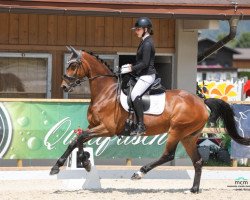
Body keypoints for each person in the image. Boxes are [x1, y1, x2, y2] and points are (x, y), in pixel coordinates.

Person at [120, 17, 156, 135]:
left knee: (135, 94)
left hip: (147, 75)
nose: (136, 31)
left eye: (138, 29)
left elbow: (145, 63)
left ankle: (141, 125)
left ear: (145, 29)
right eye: (136, 29)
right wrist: (132, 66)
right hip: (142, 74)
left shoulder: (148, 43)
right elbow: (141, 61)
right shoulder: (144, 41)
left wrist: (131, 68)